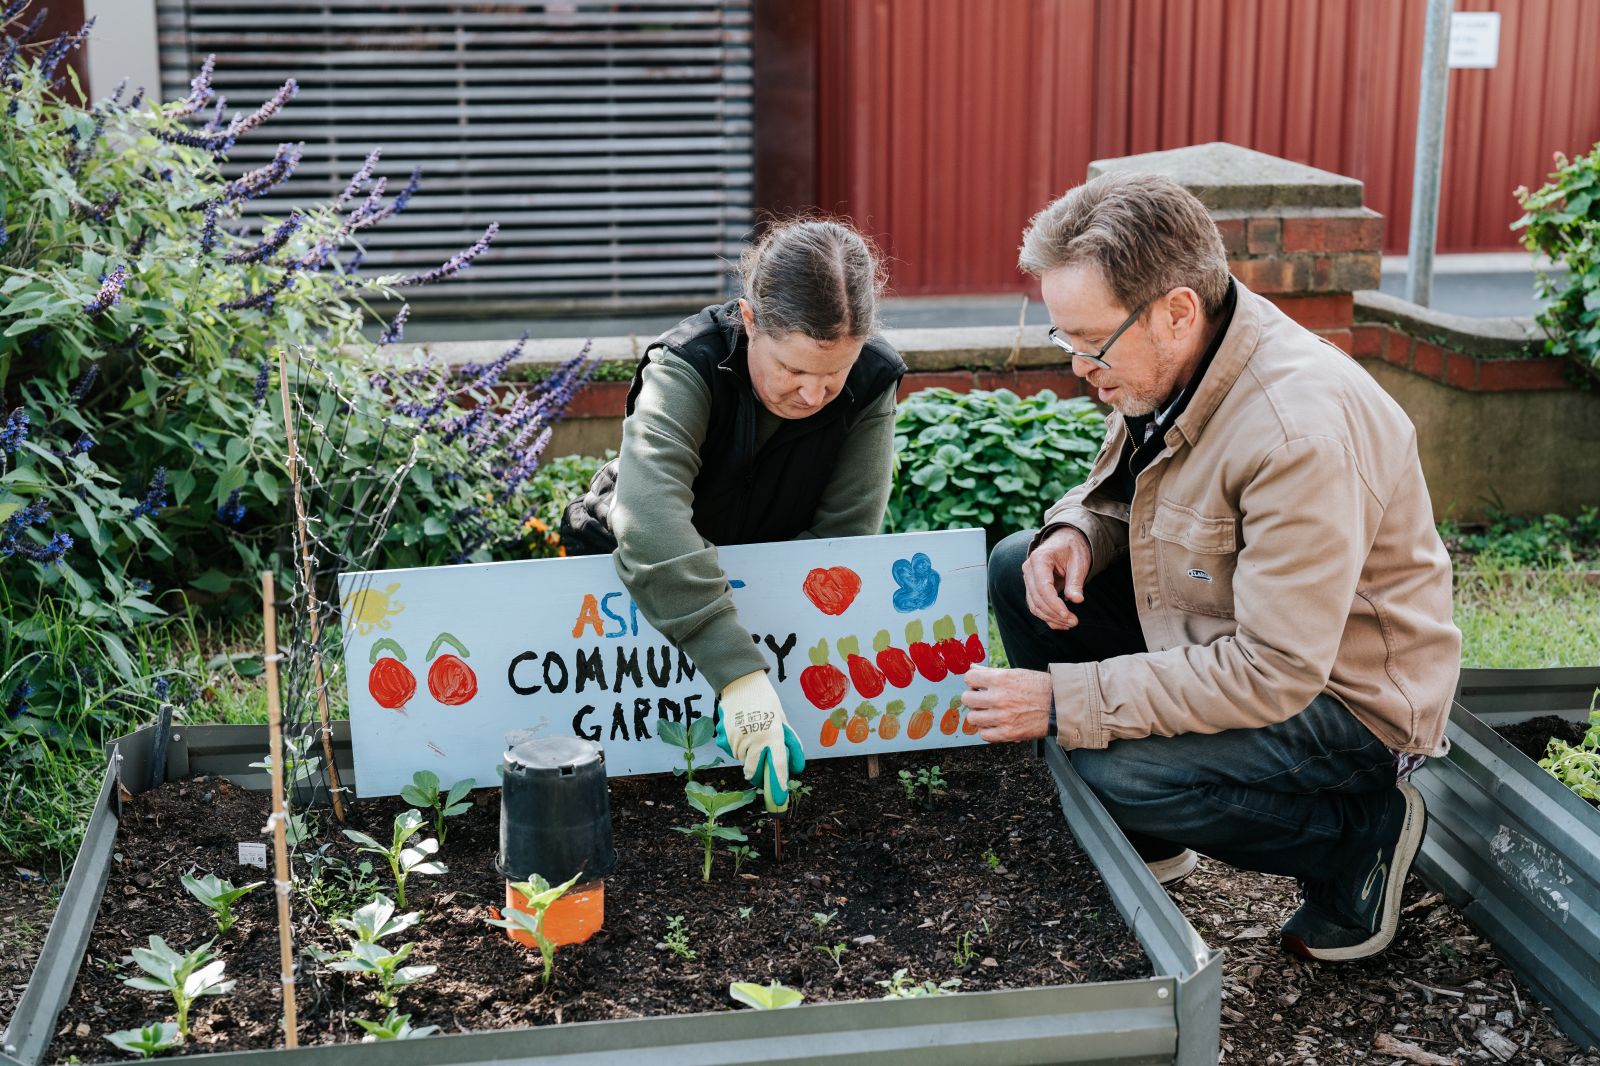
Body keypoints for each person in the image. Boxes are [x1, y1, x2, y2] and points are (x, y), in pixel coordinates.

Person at [961, 172, 1460, 961]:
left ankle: (1356, 838)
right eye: (1066, 339)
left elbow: (1275, 670)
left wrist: (1067, 698)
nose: (1077, 366)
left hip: (1344, 697)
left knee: (1112, 767)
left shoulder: (1297, 434)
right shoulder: (1180, 359)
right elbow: (1138, 489)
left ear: (1176, 310)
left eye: (1089, 342)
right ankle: (1151, 835)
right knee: (1018, 566)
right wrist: (1081, 531)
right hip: (1224, 624)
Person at [562, 219, 905, 812]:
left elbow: (840, 542)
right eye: (792, 370)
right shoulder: (687, 364)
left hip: (760, 591)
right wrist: (741, 676)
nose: (812, 396)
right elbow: (650, 520)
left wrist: (783, 681)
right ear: (749, 322)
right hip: (643, 582)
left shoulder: (872, 380)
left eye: (833, 376)